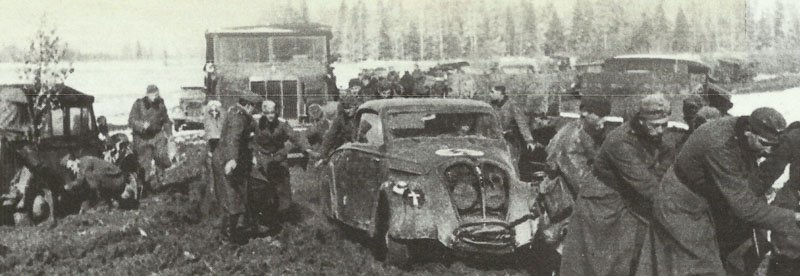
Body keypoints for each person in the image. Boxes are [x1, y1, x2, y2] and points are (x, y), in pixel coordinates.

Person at [653, 108, 800, 275]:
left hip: (714, 197)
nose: (767, 152)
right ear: (748, 133)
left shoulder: (746, 130)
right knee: (703, 265)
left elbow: (752, 184)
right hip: (682, 204)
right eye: (764, 144)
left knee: (742, 250)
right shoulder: (720, 145)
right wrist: (793, 217)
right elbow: (746, 208)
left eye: (773, 146)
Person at [560, 93, 675, 276]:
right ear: (642, 121)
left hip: (624, 200)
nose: (661, 131)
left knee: (622, 260)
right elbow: (646, 185)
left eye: (664, 124)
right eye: (656, 125)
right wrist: (675, 211)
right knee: (597, 263)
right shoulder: (620, 142)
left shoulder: (652, 136)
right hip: (600, 205)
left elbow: (662, 167)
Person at [212, 96, 257, 244]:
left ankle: (231, 234)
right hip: (226, 162)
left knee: (233, 198)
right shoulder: (239, 118)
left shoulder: (235, 113)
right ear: (249, 105)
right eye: (254, 107)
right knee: (232, 199)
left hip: (224, 160)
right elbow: (233, 139)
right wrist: (232, 159)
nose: (254, 110)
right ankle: (227, 238)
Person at [545, 97, 612, 197]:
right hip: (566, 198)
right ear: (585, 112)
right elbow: (580, 182)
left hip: (578, 190)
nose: (603, 121)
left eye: (605, 116)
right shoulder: (571, 138)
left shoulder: (587, 130)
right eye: (600, 115)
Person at [128, 85, 171, 191]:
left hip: (157, 135)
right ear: (147, 94)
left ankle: (160, 181)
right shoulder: (138, 104)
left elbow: (166, 120)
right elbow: (131, 121)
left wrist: (170, 134)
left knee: (161, 156)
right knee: (144, 164)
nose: (156, 97)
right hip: (142, 138)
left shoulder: (160, 103)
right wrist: (141, 125)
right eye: (153, 95)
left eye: (157, 94)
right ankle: (145, 186)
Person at [489, 85, 535, 171]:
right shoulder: (491, 106)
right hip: (494, 140)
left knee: (511, 166)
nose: (490, 94)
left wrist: (529, 140)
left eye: (492, 92)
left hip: (510, 140)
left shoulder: (512, 105)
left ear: (500, 93)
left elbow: (522, 123)